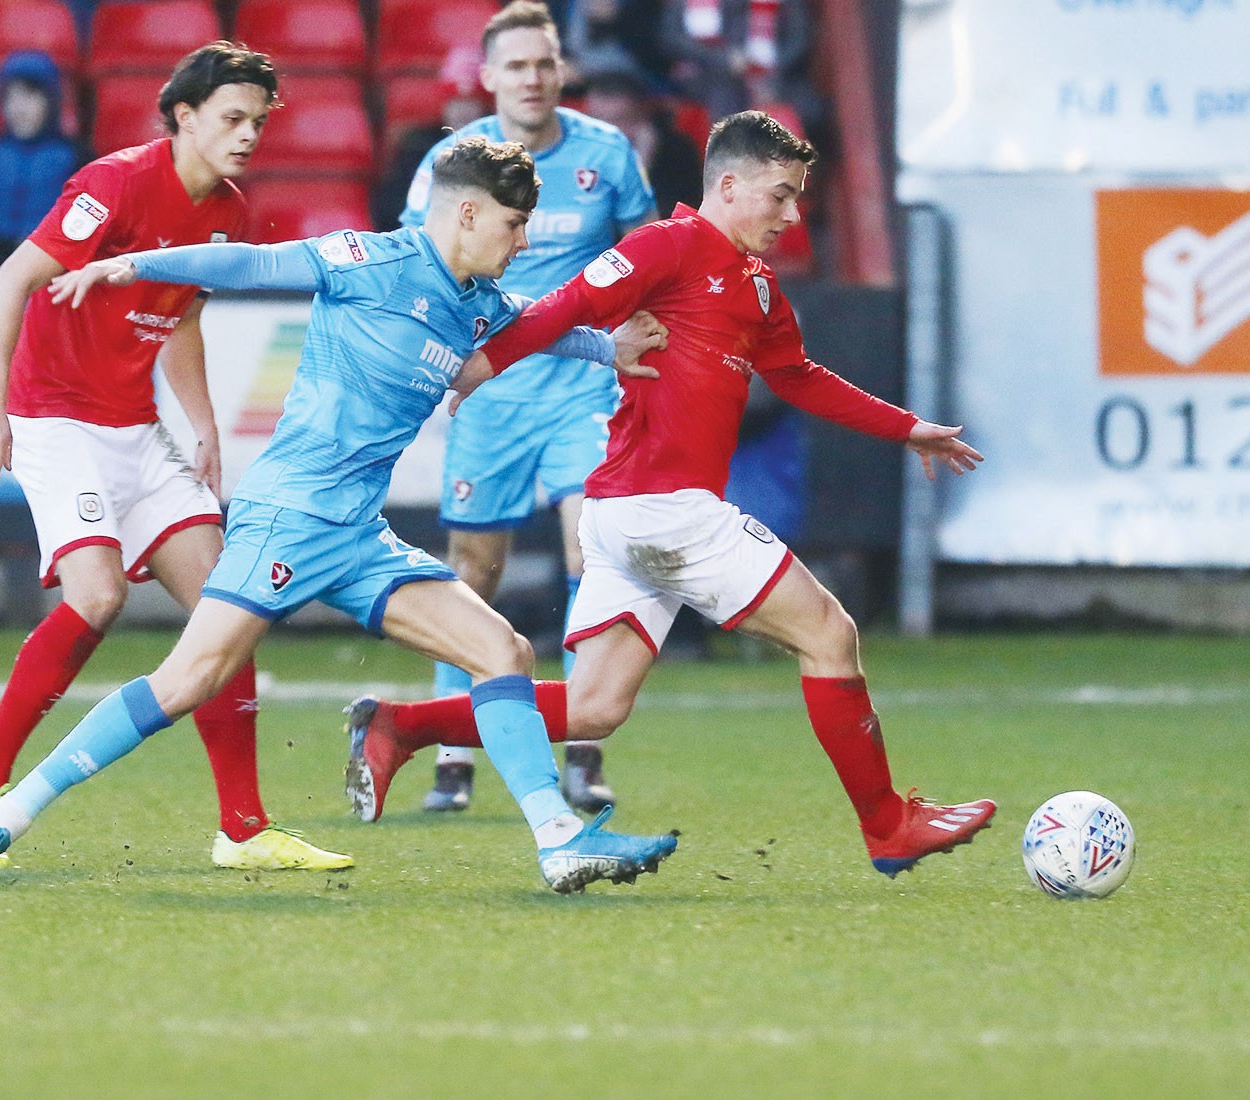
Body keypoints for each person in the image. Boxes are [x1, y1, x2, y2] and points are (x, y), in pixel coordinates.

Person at [0, 137, 679, 899]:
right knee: (188, 679)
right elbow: (251, 264)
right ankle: (1, 818)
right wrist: (138, 265)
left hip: (357, 534)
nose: (524, 242)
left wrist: (607, 347)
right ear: (469, 213)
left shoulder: (477, 300)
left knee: (502, 650)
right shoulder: (368, 260)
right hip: (289, 515)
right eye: (515, 225)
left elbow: (537, 324)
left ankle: (558, 840)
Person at [348, 111, 996, 881]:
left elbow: (798, 377)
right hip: (665, 510)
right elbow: (565, 305)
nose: (792, 215)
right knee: (829, 633)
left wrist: (907, 428)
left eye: (797, 198)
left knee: (594, 709)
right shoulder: (666, 245)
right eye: (780, 195)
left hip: (627, 518)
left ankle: (400, 726)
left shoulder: (758, 287)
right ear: (729, 185)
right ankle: (888, 826)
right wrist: (481, 366)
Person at [0, 40, 349, 874]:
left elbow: (184, 318)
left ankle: (243, 831)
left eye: (258, 121)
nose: (249, 135)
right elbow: (9, 283)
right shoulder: (114, 184)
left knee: (229, 609)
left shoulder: (229, 211)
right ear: (184, 116)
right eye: (232, 118)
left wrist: (203, 424)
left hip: (136, 426)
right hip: (55, 418)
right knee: (97, 598)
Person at [400, 0, 655, 817]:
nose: (533, 78)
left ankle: (582, 749)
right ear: (488, 77)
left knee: (593, 553)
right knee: (474, 570)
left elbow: (651, 256)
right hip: (491, 393)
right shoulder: (453, 162)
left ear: (562, 70)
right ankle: (453, 755)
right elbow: (419, 265)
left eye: (544, 63)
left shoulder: (607, 154)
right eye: (516, 65)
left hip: (586, 389)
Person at [0, 51, 81, 275]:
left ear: (51, 101)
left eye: (30, 96)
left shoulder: (76, 158)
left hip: (54, 270)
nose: (18, 109)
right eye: (10, 98)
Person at [371, 44, 483, 233]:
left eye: (471, 102)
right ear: (444, 104)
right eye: (455, 102)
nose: (462, 112)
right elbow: (390, 209)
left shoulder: (500, 146)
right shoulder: (417, 147)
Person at [581, 64, 702, 219]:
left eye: (621, 120)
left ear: (643, 115)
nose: (611, 132)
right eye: (599, 122)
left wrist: (643, 163)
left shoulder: (676, 151)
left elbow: (677, 216)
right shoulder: (576, 149)